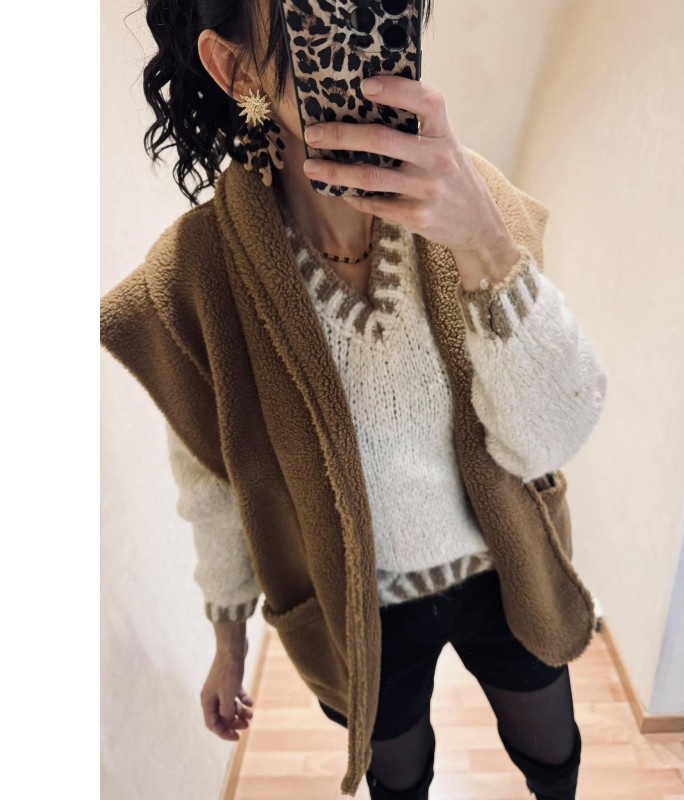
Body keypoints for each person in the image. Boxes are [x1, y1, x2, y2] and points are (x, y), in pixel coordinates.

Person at [101, 1, 608, 797]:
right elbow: (214, 484)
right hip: (365, 612)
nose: (366, 33)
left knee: (553, 755)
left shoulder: (473, 201)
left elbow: (551, 438)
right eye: (322, 14)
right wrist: (228, 639)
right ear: (234, 67)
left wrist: (486, 244)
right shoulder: (202, 276)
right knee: (397, 781)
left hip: (502, 568)